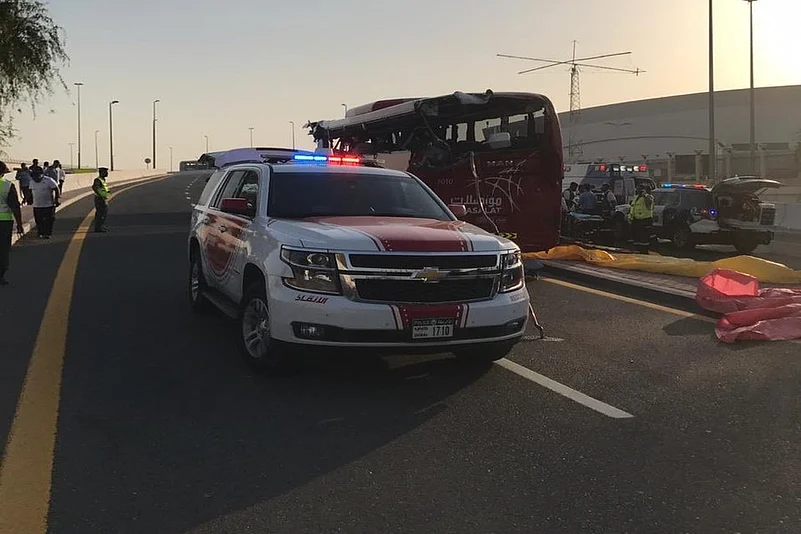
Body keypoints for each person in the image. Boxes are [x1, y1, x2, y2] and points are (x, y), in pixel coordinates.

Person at [0, 161, 25, 285]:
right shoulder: (7, 186)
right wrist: (19, 224)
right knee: (3, 250)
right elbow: (15, 206)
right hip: (4, 222)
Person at [29, 165, 60, 239]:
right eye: (34, 176)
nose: (36, 178)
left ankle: (48, 233)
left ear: (42, 174)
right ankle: (40, 232)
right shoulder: (32, 182)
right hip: (37, 205)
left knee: (49, 220)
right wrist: (28, 199)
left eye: (37, 176)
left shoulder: (49, 180)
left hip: (48, 205)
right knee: (38, 220)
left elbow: (56, 189)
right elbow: (30, 191)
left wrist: (56, 200)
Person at [628, 183, 654, 253]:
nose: (637, 190)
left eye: (639, 189)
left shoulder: (648, 197)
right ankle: (637, 250)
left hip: (644, 221)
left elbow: (649, 202)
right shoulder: (636, 197)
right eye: (637, 189)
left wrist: (645, 195)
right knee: (636, 237)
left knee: (643, 238)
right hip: (636, 220)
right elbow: (633, 208)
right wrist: (630, 217)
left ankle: (644, 251)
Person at [92, 167, 111, 232]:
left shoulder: (102, 180)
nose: (107, 173)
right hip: (100, 199)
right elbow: (96, 188)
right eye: (105, 172)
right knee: (100, 213)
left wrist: (107, 194)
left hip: (103, 198)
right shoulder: (98, 180)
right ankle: (98, 228)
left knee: (103, 213)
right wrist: (102, 196)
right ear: (101, 172)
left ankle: (100, 226)